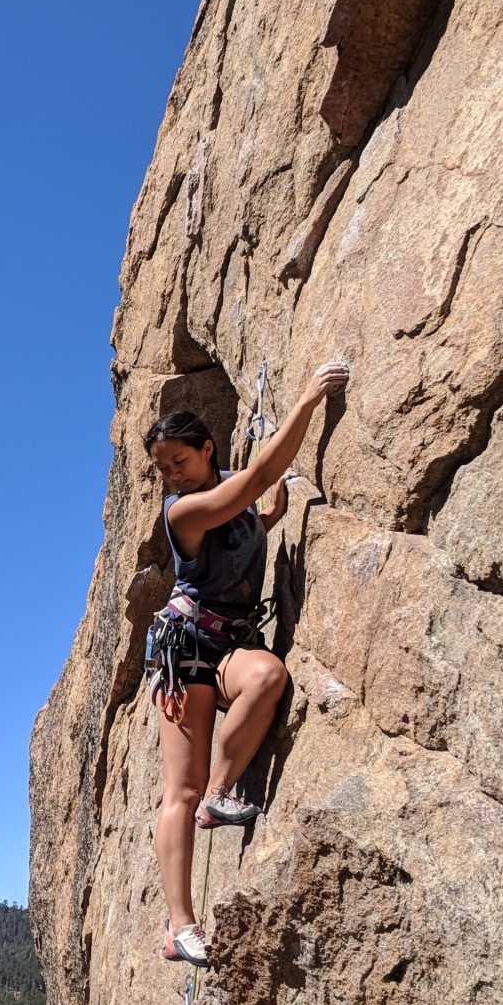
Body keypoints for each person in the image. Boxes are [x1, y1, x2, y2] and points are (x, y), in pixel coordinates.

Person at [144, 359, 350, 967]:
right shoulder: (181, 512)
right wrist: (308, 402)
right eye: (162, 469)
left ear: (207, 451)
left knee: (267, 677)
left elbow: (249, 512)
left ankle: (222, 792)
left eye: (179, 463)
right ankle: (179, 925)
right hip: (186, 651)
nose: (172, 477)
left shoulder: (220, 496)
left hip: (228, 645)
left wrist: (269, 519)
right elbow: (259, 476)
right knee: (175, 790)